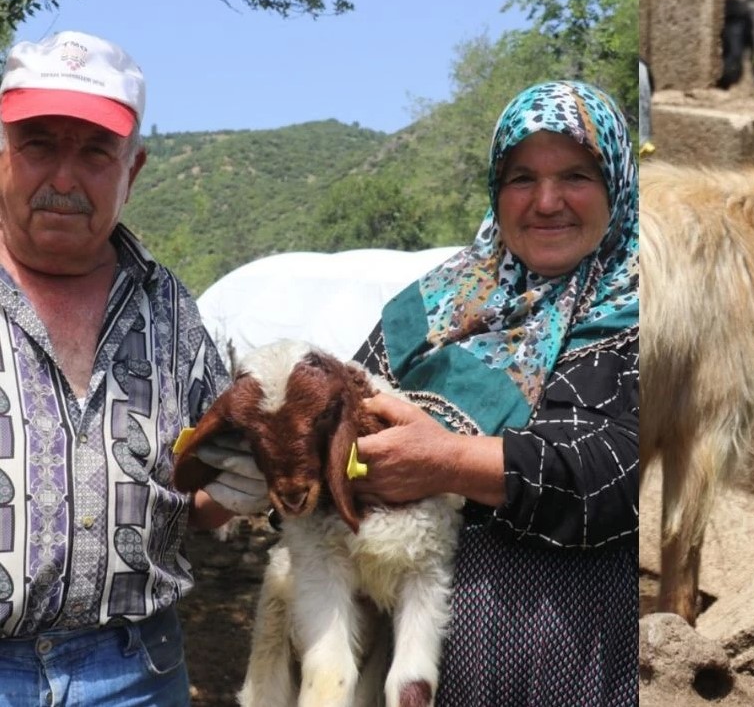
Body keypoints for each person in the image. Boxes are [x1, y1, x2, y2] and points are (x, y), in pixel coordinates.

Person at [202, 79, 640, 705]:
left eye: (575, 175)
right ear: (496, 188)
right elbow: (333, 414)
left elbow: (625, 472)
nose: (546, 201)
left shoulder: (638, 311)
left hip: (566, 656)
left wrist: (448, 463)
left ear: (617, 183)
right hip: (401, 664)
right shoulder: (432, 304)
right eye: (521, 178)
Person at [0, 31, 236, 706]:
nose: (65, 179)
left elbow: (208, 495)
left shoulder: (172, 310)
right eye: (39, 143)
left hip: (136, 673)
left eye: (96, 152)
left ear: (132, 171)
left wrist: (240, 484)